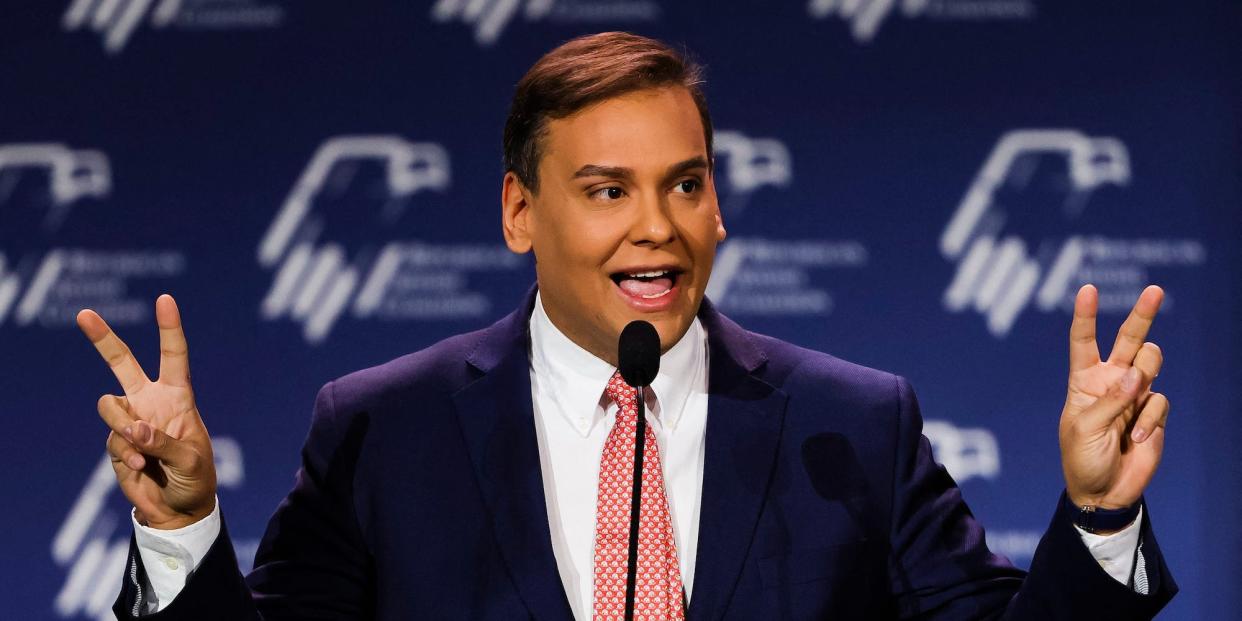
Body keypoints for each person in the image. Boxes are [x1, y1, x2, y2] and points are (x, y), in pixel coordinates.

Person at [77, 32, 1176, 620]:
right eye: (608, 190)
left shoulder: (854, 425)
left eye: (685, 184)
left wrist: (1096, 516)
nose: (660, 229)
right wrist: (181, 533)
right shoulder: (383, 428)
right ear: (519, 211)